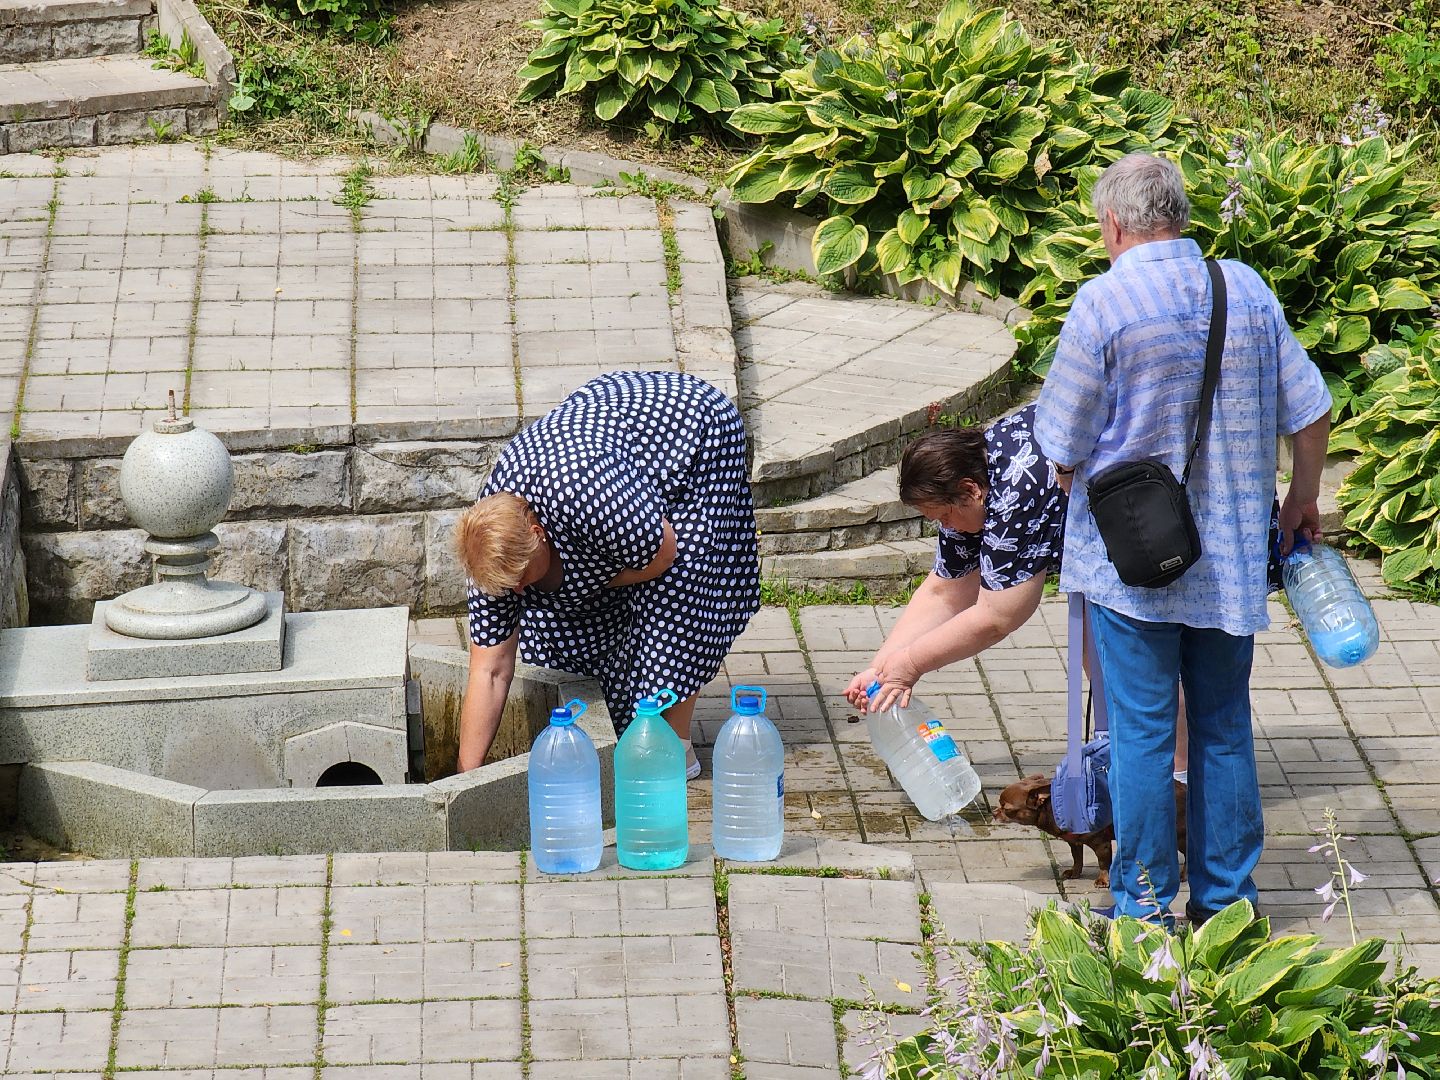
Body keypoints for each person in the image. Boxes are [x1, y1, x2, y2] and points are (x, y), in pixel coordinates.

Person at [1034, 153, 1331, 925]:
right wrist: (1303, 499)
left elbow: (1059, 439)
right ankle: (1228, 909)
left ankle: (1143, 912)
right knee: (1224, 727)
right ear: (1180, 216)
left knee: (1141, 733)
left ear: (1113, 224)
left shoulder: (1103, 304)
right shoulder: (1246, 290)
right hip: (1230, 560)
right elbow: (1311, 410)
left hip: (1131, 562)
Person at [454, 370, 761, 778]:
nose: (520, 591)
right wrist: (465, 777)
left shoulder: (585, 495)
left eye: (523, 579)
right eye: (509, 588)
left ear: (538, 534)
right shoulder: (489, 548)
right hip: (608, 451)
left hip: (694, 436)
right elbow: (490, 670)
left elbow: (665, 553)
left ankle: (675, 748)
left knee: (678, 589)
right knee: (555, 623)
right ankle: (615, 728)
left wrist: (588, 581)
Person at [844, 405, 1067, 711]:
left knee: (1104, 646)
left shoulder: (1014, 496)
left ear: (969, 490)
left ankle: (1117, 737)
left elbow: (999, 616)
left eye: (945, 516)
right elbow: (944, 592)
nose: (946, 527)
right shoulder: (975, 477)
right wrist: (881, 670)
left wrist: (910, 664)